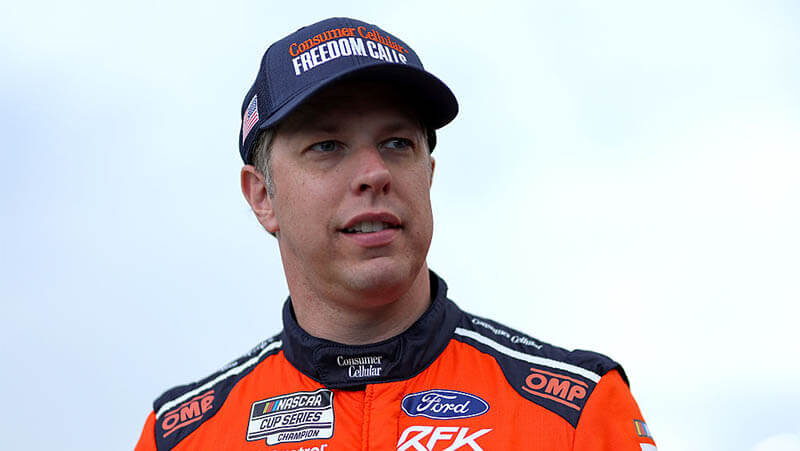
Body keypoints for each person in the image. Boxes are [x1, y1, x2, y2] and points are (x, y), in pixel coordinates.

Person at [135, 17, 657, 451]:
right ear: (262, 196)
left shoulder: (575, 412)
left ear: (428, 174)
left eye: (396, 143)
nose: (374, 173)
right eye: (327, 146)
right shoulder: (179, 437)